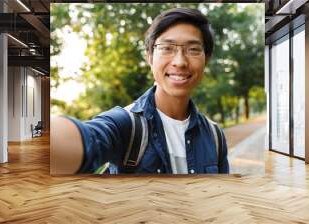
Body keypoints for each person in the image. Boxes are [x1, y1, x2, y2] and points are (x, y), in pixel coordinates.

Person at [51, 8, 229, 174]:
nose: (180, 62)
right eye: (167, 48)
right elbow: (88, 138)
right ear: (150, 56)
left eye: (193, 49)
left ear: (207, 59)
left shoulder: (215, 136)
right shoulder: (126, 125)